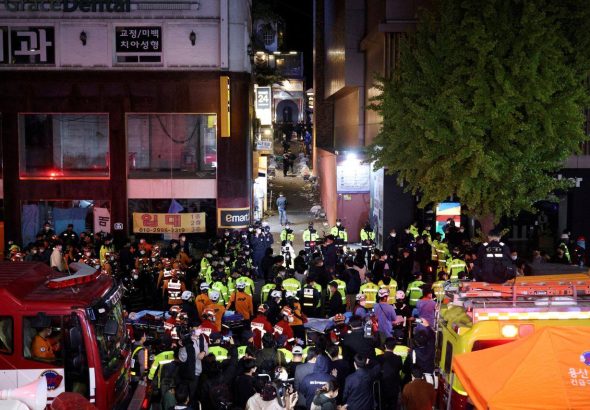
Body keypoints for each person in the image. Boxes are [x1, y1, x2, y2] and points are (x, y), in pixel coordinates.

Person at [179, 328, 208, 406]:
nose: (200, 329)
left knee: (194, 393)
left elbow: (206, 348)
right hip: (189, 372)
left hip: (198, 371)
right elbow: (182, 358)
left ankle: (191, 404)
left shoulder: (202, 337)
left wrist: (204, 352)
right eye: (197, 328)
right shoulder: (186, 341)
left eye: (199, 327)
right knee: (188, 394)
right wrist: (183, 347)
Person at [377, 338, 403, 410]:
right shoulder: (398, 358)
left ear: (385, 345)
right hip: (394, 385)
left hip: (382, 385)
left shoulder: (379, 357)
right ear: (394, 347)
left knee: (382, 405)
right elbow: (400, 368)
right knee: (393, 405)